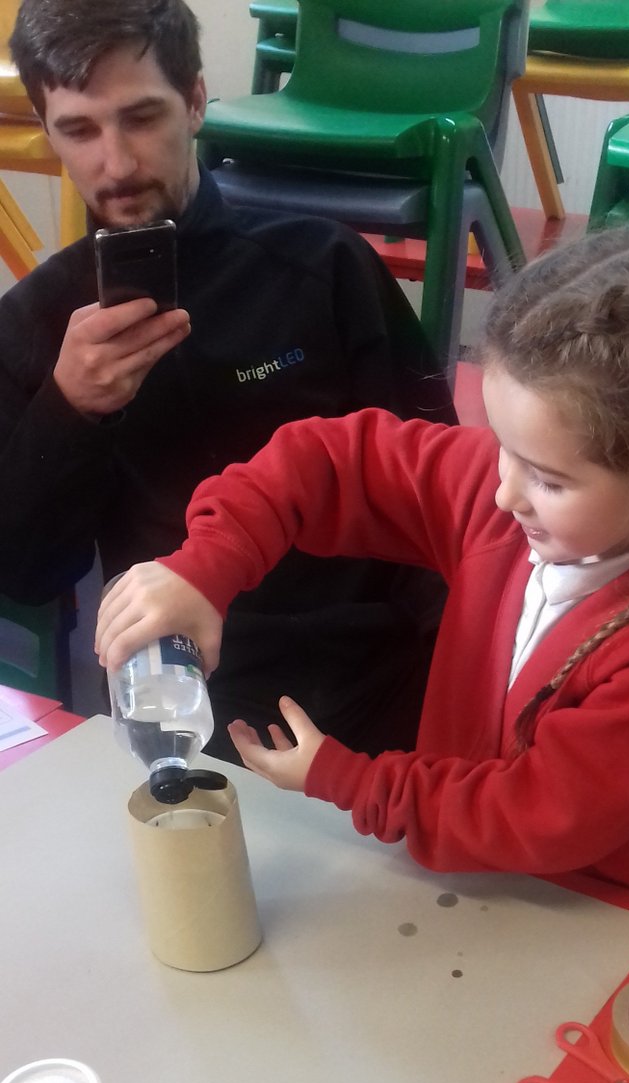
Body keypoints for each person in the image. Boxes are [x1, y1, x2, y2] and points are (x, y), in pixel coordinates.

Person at [96, 226, 629, 920]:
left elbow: (539, 814)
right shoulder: (509, 502)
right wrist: (206, 567)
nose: (505, 491)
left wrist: (351, 781)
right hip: (476, 876)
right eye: (503, 448)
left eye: (547, 479)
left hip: (611, 911)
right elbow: (324, 461)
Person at [0, 0, 455, 760]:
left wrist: (457, 684)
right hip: (185, 696)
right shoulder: (35, 325)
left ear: (198, 102)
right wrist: (69, 411)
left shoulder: (323, 267)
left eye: (142, 117)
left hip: (370, 674)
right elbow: (25, 571)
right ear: (48, 132)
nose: (115, 163)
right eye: (79, 130)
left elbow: (439, 492)